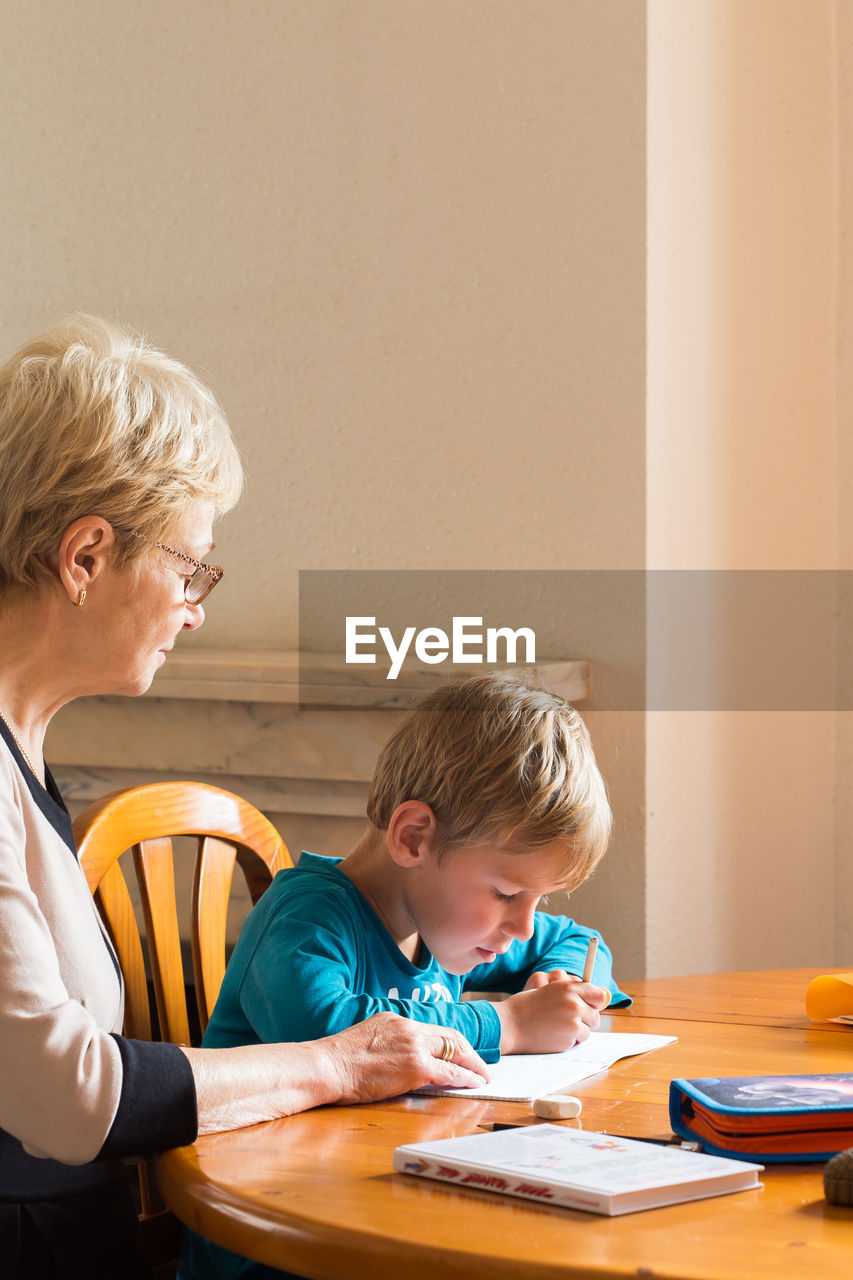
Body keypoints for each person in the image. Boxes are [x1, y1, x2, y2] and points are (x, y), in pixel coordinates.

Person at [0, 315, 489, 1280]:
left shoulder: (26, 743)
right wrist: (336, 1063)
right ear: (86, 556)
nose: (198, 603)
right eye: (189, 566)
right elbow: (65, 1093)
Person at [182, 671, 630, 1279]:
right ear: (414, 837)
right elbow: (334, 1032)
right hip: (280, 1239)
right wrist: (505, 1022)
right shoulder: (307, 917)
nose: (523, 926)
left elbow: (584, 941)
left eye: (539, 900)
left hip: (386, 1203)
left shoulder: (447, 920)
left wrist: (558, 980)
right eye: (505, 892)